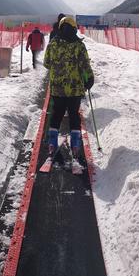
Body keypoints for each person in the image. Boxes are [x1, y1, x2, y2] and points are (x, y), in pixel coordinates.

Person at [44, 16, 94, 169]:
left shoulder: (53, 44)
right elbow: (85, 66)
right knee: (74, 117)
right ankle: (76, 148)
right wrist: (89, 79)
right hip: (74, 90)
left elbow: (46, 64)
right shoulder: (79, 46)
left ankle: (52, 145)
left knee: (56, 116)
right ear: (74, 28)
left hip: (57, 89)